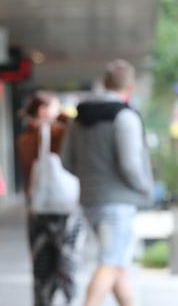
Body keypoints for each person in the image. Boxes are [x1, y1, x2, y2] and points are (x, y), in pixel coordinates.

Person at [61, 60, 153, 306]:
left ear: (104, 82)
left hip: (90, 200)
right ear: (130, 86)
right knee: (111, 262)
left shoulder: (78, 120)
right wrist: (145, 187)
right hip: (119, 203)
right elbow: (131, 164)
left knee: (117, 264)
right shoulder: (125, 117)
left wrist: (90, 179)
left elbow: (67, 161)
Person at [17, 92, 82, 306]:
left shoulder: (61, 132)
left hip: (58, 209)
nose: (48, 113)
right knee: (49, 267)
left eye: (52, 107)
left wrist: (57, 121)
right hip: (46, 210)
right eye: (45, 108)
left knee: (61, 267)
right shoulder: (31, 137)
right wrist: (46, 128)